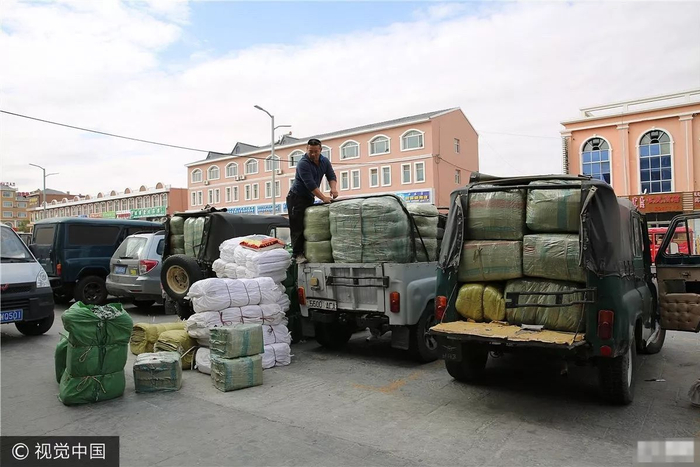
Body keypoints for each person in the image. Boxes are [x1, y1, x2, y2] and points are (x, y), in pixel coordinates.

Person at [286, 138, 338, 263]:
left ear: (320, 150)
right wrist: (324, 198)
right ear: (306, 149)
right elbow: (310, 185)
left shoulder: (325, 161)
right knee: (298, 226)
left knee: (309, 225)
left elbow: (331, 175)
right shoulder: (303, 164)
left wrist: (333, 189)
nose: (313, 154)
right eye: (310, 151)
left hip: (309, 197)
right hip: (296, 198)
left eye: (316, 151)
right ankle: (297, 254)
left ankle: (308, 252)